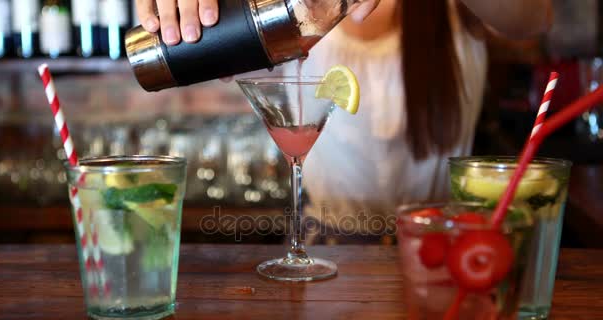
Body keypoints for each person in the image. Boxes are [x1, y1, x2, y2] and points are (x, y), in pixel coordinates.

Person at [136, 0, 553, 244]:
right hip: (326, 249)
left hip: (437, 252)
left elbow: (532, 17)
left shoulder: (456, 11)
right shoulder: (302, 8)